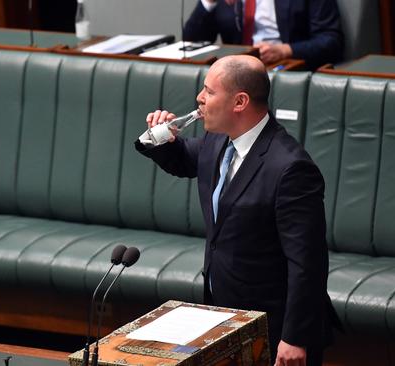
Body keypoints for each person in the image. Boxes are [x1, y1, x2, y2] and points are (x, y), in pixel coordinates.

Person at [135, 55, 338, 365]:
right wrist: (158, 135)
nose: (199, 98)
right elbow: (186, 159)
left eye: (209, 91)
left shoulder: (290, 168)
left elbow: (307, 263)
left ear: (240, 101)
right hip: (226, 314)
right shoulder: (218, 141)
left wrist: (294, 337)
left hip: (276, 325)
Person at [183, 0, 344, 70]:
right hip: (234, 73)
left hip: (284, 68)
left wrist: (285, 50)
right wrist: (209, 2)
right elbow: (192, 42)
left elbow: (331, 41)